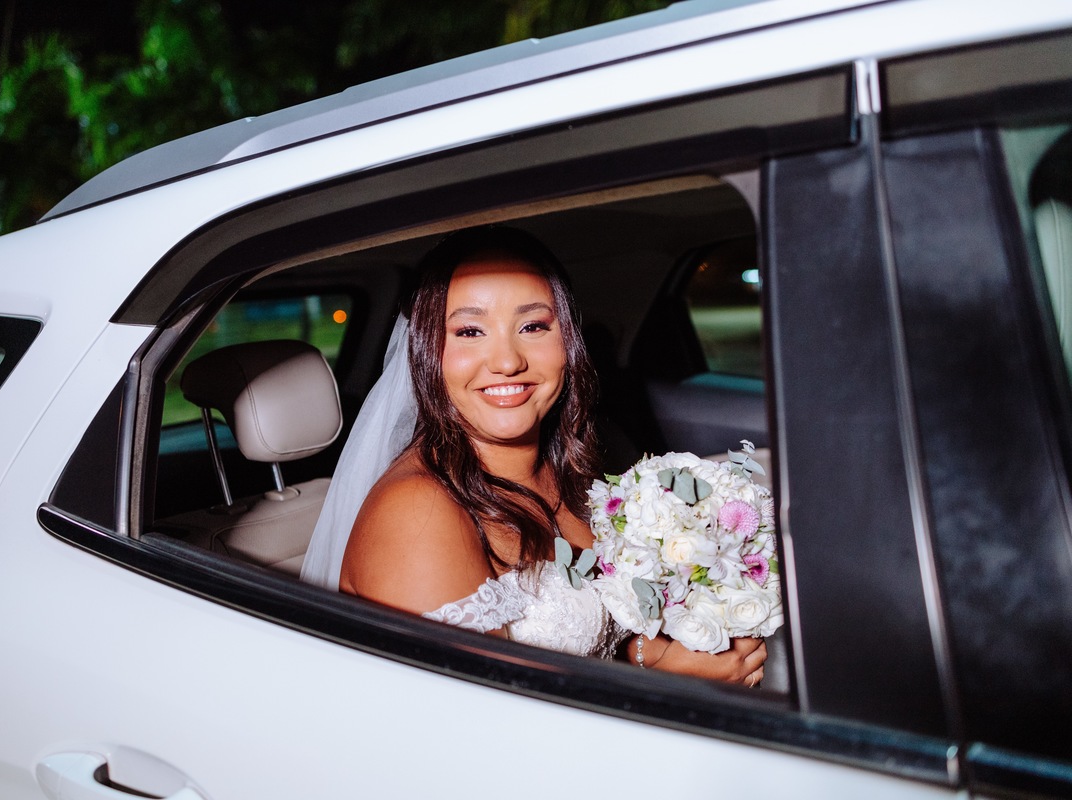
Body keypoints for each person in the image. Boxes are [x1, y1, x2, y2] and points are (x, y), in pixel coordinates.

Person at [301, 226, 766, 684]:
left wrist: (679, 647)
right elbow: (476, 737)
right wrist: (675, 691)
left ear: (568, 342)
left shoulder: (570, 467)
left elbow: (605, 631)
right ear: (427, 351)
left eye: (532, 326)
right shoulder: (417, 513)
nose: (507, 361)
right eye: (469, 331)